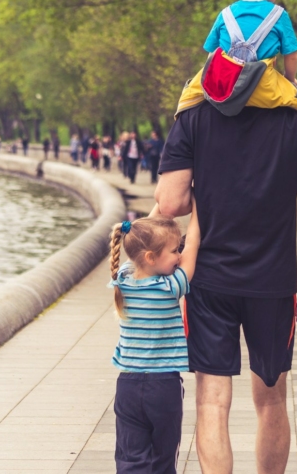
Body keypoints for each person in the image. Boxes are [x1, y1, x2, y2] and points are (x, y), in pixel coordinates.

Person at [155, 54, 297, 472]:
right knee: (271, 398)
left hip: (208, 280)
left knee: (212, 401)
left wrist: (207, 195)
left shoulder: (195, 115)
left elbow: (170, 203)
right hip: (274, 281)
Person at [108, 198, 201, 474]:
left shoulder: (124, 279)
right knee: (163, 457)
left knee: (130, 456)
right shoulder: (170, 288)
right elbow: (194, 244)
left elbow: (138, 240)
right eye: (174, 251)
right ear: (151, 257)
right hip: (164, 386)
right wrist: (199, 208)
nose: (179, 255)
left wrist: (163, 203)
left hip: (127, 385)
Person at [203, 0, 297, 83]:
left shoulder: (225, 15)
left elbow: (212, 56)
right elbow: (292, 56)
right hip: (266, 89)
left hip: (229, 89)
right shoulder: (279, 15)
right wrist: (290, 80)